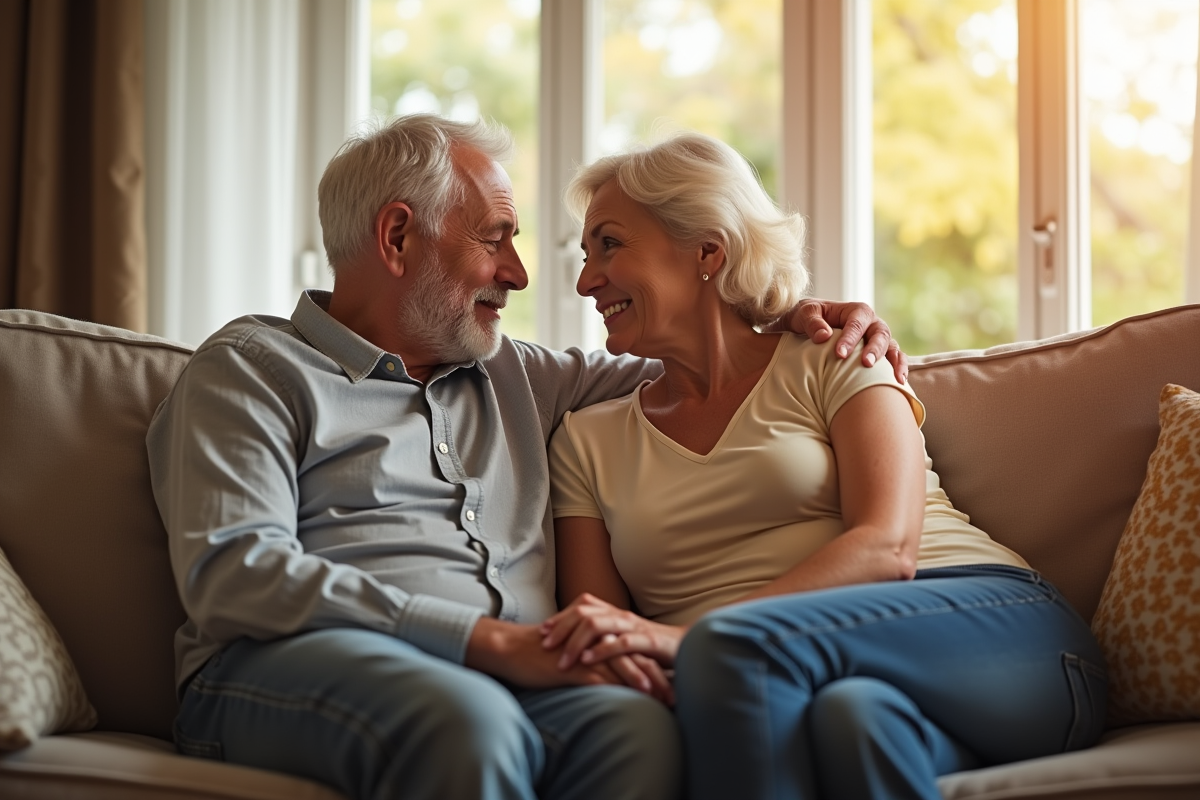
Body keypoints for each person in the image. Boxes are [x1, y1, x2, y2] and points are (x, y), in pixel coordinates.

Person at [145, 113, 904, 800]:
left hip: (514, 678)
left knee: (633, 728)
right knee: (469, 723)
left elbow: (709, 365)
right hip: (280, 673)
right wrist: (488, 643)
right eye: (496, 237)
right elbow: (233, 572)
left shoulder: (522, 375)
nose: (519, 273)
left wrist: (797, 317)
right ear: (398, 237)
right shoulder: (252, 368)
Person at [543, 131, 1109, 800]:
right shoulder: (585, 439)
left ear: (706, 250)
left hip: (1000, 633)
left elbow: (885, 547)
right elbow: (611, 639)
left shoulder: (836, 356)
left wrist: (687, 637)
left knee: (739, 650)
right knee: (854, 724)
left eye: (609, 244)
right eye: (584, 257)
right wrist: (673, 645)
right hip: (816, 688)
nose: (585, 281)